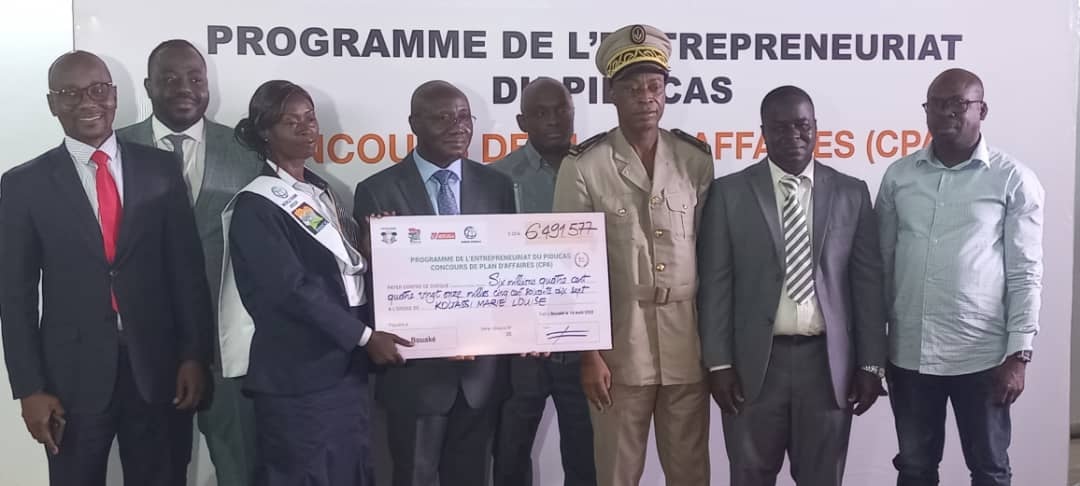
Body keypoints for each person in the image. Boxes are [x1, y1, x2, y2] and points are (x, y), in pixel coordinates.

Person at [0, 50, 213, 486]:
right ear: (52, 103)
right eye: (70, 93)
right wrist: (29, 388)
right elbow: (14, 296)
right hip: (70, 381)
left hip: (158, 370)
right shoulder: (24, 185)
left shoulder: (160, 169)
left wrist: (194, 355)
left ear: (114, 95)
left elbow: (185, 271)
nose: (88, 102)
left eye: (99, 89)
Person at [697, 85, 887, 486]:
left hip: (827, 368)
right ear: (762, 132)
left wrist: (871, 363)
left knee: (822, 478)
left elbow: (867, 286)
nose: (793, 135)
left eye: (802, 125)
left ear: (816, 127)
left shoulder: (851, 192)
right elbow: (715, 284)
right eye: (779, 127)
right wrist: (718, 363)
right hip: (753, 368)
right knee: (750, 477)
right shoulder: (730, 193)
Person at [222, 80, 408, 486]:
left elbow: (340, 270)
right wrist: (364, 336)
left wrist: (369, 248)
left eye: (310, 118)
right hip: (298, 375)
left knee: (350, 470)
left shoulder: (319, 190)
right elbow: (291, 290)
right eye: (292, 122)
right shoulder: (256, 205)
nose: (307, 128)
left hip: (344, 370)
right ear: (266, 131)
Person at [552, 24, 715, 486]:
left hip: (687, 346)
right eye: (632, 88)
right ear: (611, 94)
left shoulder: (695, 159)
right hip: (619, 350)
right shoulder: (584, 165)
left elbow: (712, 257)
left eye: (655, 86)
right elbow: (569, 268)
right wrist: (588, 353)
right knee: (617, 475)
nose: (646, 98)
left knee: (691, 474)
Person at [877, 68, 1044, 486]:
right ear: (925, 111)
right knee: (915, 468)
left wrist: (1019, 355)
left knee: (989, 469)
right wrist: (873, 345)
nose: (947, 112)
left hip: (983, 356)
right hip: (910, 355)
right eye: (937, 104)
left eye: (959, 103)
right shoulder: (899, 177)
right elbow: (881, 265)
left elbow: (1025, 273)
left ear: (981, 110)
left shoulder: (1013, 179)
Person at [116, 38, 263, 486]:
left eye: (195, 78)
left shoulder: (248, 151)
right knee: (156, 472)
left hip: (228, 344)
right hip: (149, 348)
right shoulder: (116, 149)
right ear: (148, 86)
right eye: (170, 78)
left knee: (241, 469)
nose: (185, 88)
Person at [353, 80, 514, 486]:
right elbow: (372, 286)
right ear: (414, 124)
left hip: (480, 376)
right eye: (442, 118)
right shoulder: (377, 190)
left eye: (464, 117)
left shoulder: (497, 186)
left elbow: (509, 273)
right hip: (414, 374)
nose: (458, 127)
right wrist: (373, 252)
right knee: (413, 477)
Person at [491, 77, 596, 486]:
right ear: (522, 122)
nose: (553, 120)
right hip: (520, 350)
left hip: (584, 344)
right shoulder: (497, 178)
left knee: (586, 460)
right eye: (540, 113)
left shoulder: (598, 168)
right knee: (509, 455)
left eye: (561, 110)